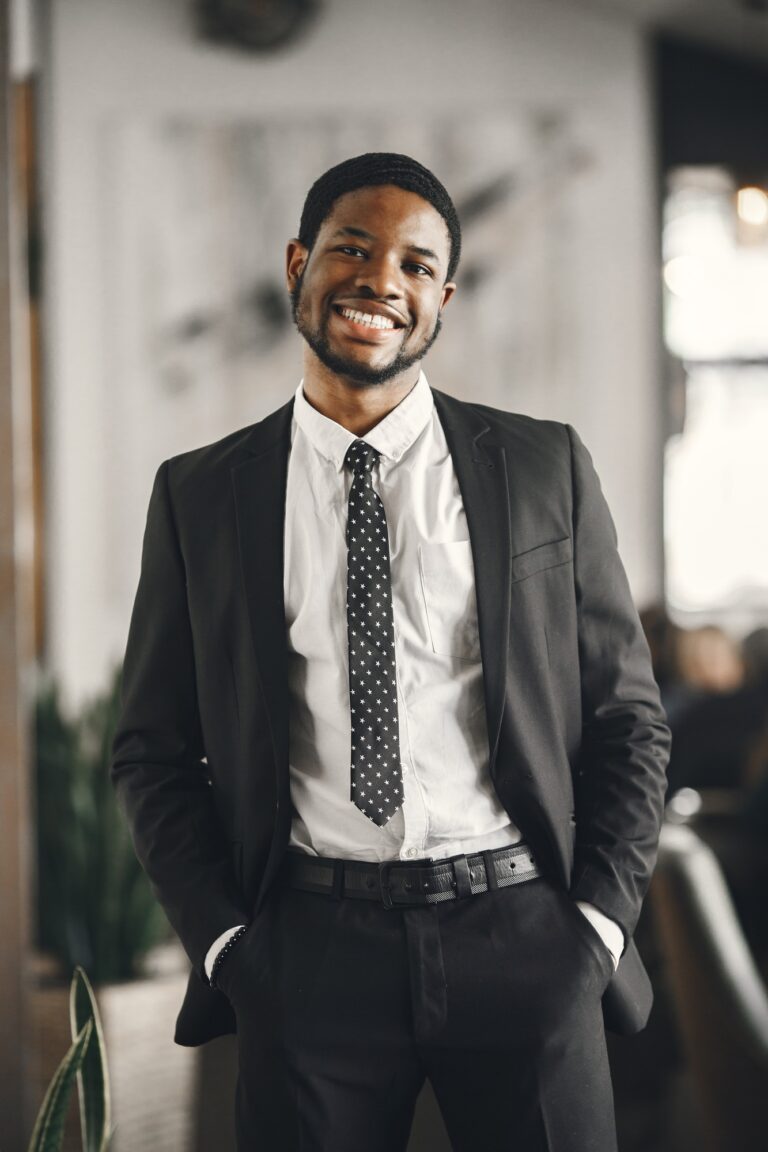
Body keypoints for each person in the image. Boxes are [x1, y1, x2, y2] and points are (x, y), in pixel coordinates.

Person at [111, 153, 671, 1152]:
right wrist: (231, 944)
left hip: (524, 935)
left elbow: (627, 718)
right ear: (299, 263)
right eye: (354, 250)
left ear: (443, 300)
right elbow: (151, 748)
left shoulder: (544, 468)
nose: (382, 281)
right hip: (308, 954)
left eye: (417, 265)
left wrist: (598, 925)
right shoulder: (200, 493)